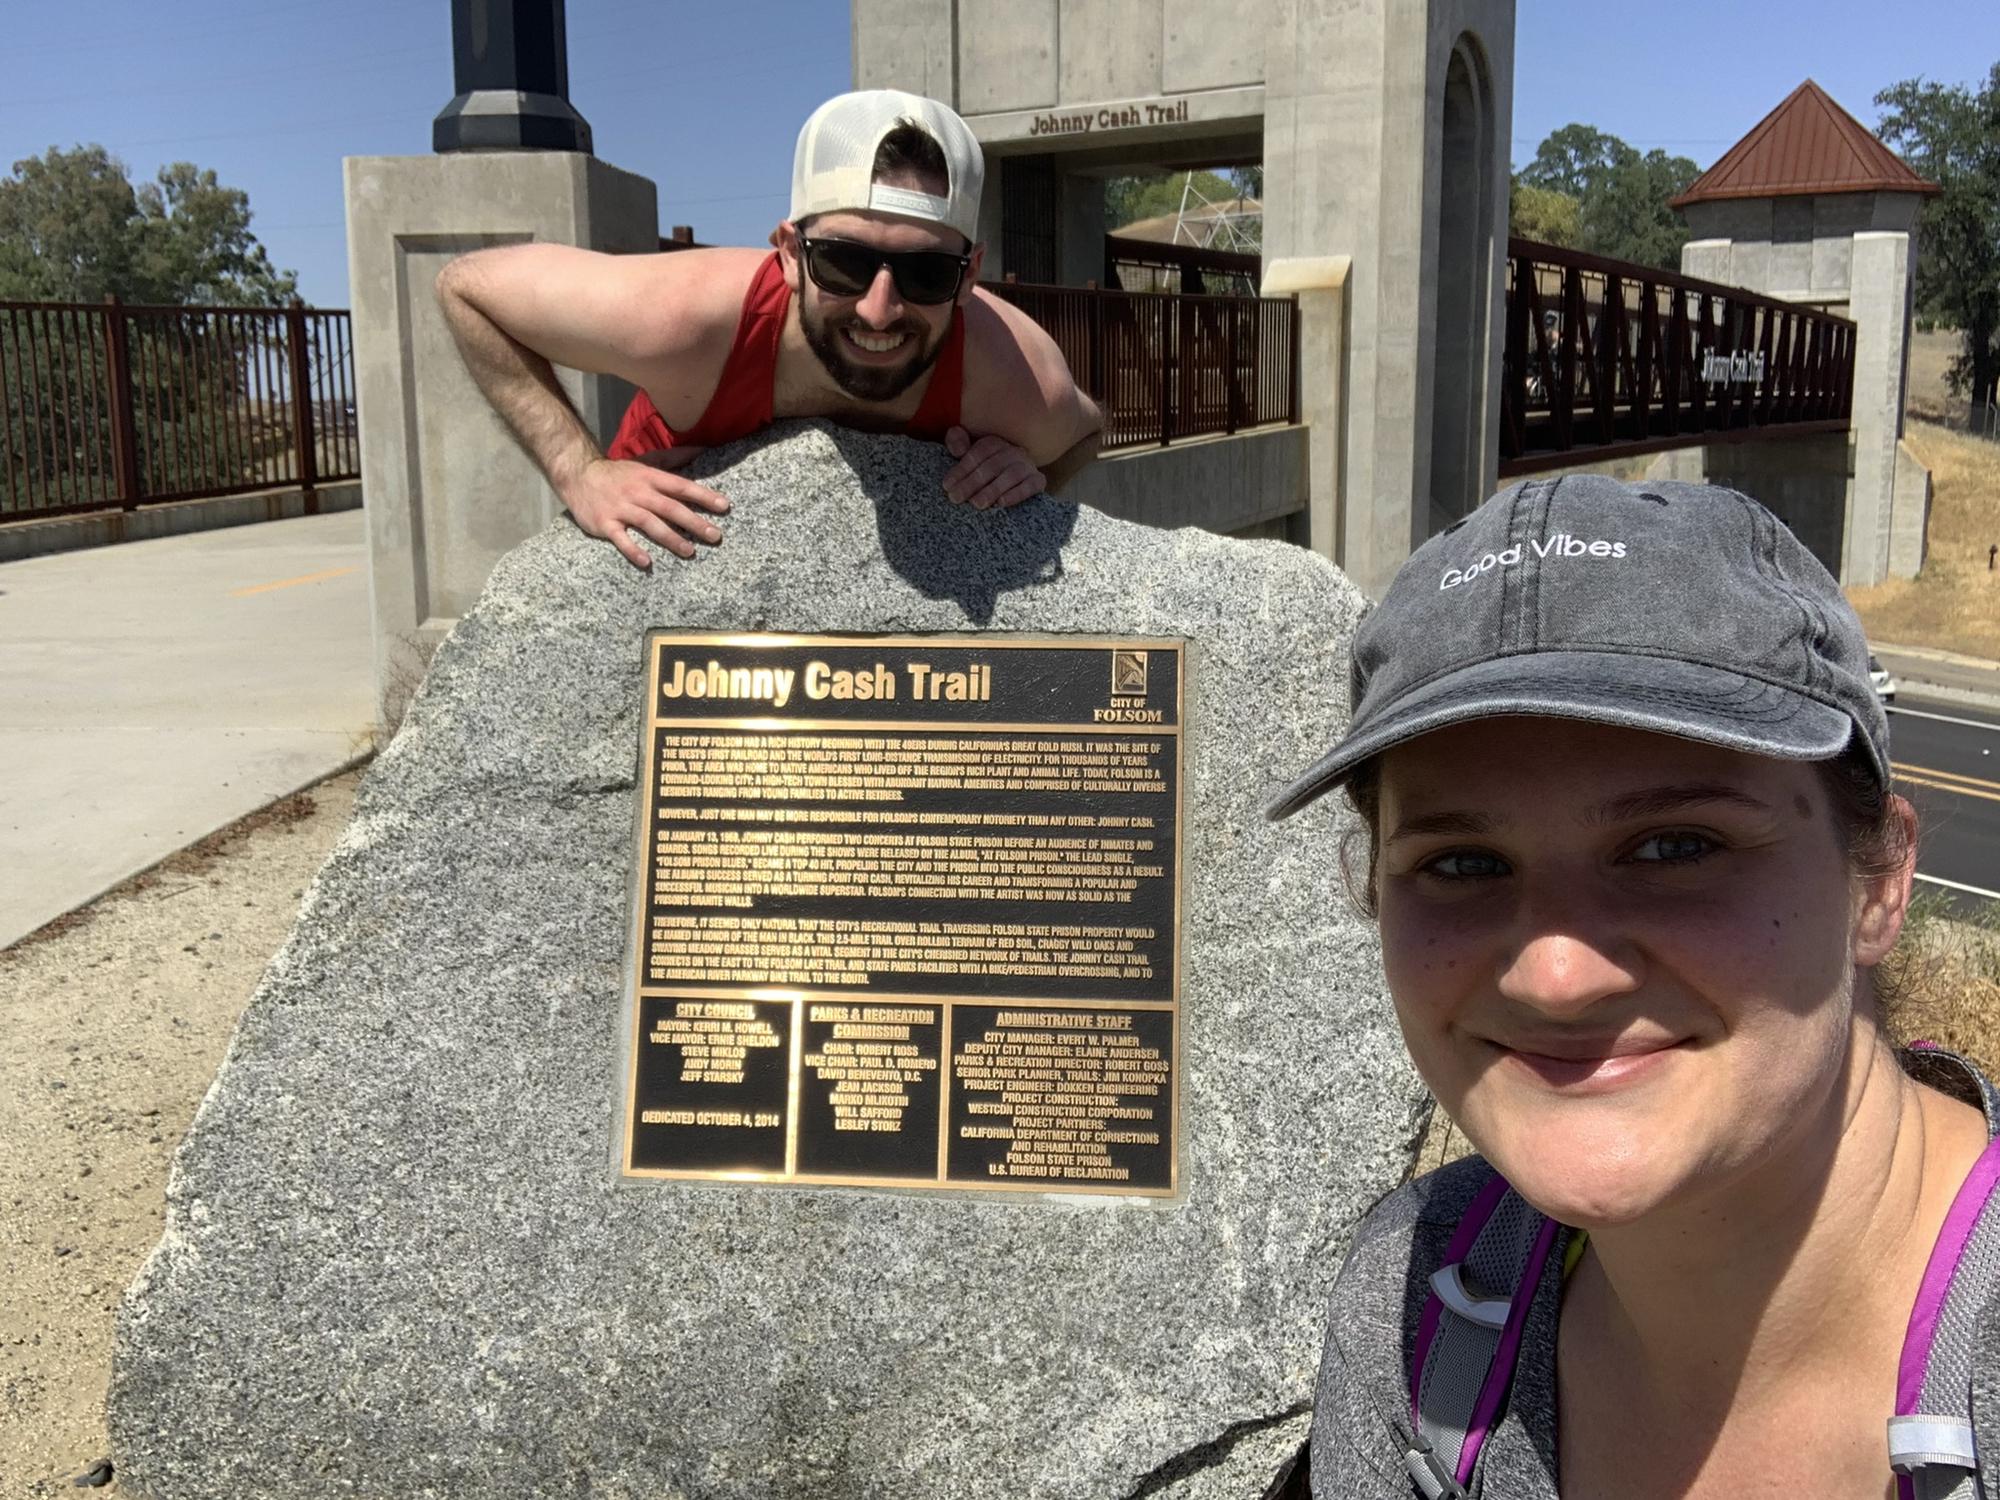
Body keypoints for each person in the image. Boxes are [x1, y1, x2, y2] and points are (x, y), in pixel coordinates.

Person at [1263, 474, 1998, 1498]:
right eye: (1463, 863)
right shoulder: (1415, 1304)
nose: (1556, 976)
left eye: (1674, 846)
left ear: (1877, 884)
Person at [435, 89, 1102, 571]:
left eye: (926, 273)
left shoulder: (1013, 378)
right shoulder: (687, 319)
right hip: (654, 564)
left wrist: (1033, 473)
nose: (879, 309)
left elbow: (1086, 430)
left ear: (970, 275)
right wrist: (579, 471)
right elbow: (469, 287)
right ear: (788, 253)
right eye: (843, 262)